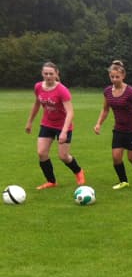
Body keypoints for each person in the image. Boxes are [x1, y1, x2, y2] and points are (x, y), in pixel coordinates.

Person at [25, 61, 86, 190]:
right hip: (47, 124)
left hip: (63, 126)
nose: (48, 76)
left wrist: (63, 132)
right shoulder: (38, 87)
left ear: (56, 74)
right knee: (41, 153)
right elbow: (37, 104)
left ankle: (79, 171)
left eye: (51, 74)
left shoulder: (62, 90)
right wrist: (30, 122)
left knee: (63, 156)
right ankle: (51, 181)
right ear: (42, 73)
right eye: (45, 73)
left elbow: (70, 112)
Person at [94, 60, 132, 189]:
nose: (114, 79)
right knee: (116, 157)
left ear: (123, 76)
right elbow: (105, 109)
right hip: (119, 129)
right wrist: (98, 124)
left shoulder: (130, 91)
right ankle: (123, 181)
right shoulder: (107, 91)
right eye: (112, 77)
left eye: (117, 77)